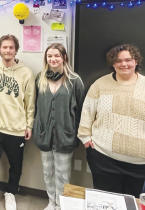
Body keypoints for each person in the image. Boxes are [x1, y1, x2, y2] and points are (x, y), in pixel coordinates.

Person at [78, 44, 145, 198]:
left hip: (143, 165)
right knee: (106, 202)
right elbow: (87, 111)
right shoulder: (100, 85)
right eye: (118, 61)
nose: (123, 64)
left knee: (137, 203)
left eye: (128, 60)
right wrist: (85, 137)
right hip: (103, 159)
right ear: (112, 63)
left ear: (136, 61)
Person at [0, 34, 35, 210]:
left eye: (11, 47)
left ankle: (11, 193)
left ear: (16, 50)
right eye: (4, 47)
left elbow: (30, 101)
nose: (8, 50)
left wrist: (29, 125)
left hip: (17, 128)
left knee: (16, 165)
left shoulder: (26, 72)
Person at [34, 43, 84, 210]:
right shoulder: (39, 79)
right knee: (48, 173)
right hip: (44, 135)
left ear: (64, 57)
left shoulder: (74, 81)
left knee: (62, 175)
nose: (53, 59)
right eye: (49, 56)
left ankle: (62, 205)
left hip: (65, 135)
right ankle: (52, 202)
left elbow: (81, 110)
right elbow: (36, 106)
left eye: (56, 55)